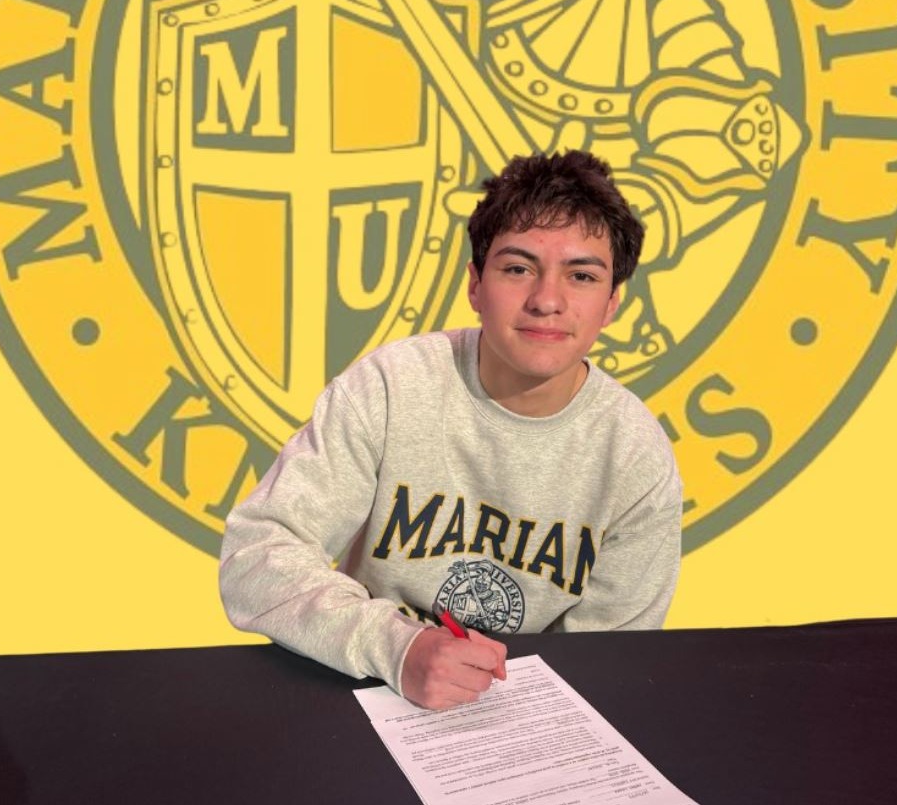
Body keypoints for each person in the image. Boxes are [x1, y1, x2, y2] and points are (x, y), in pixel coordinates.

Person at [219, 150, 682, 709]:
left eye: (581, 276)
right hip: (373, 686)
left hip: (528, 715)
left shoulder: (634, 455)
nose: (547, 301)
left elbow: (609, 661)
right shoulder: (390, 387)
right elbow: (256, 555)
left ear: (611, 305)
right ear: (475, 285)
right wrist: (396, 647)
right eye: (518, 269)